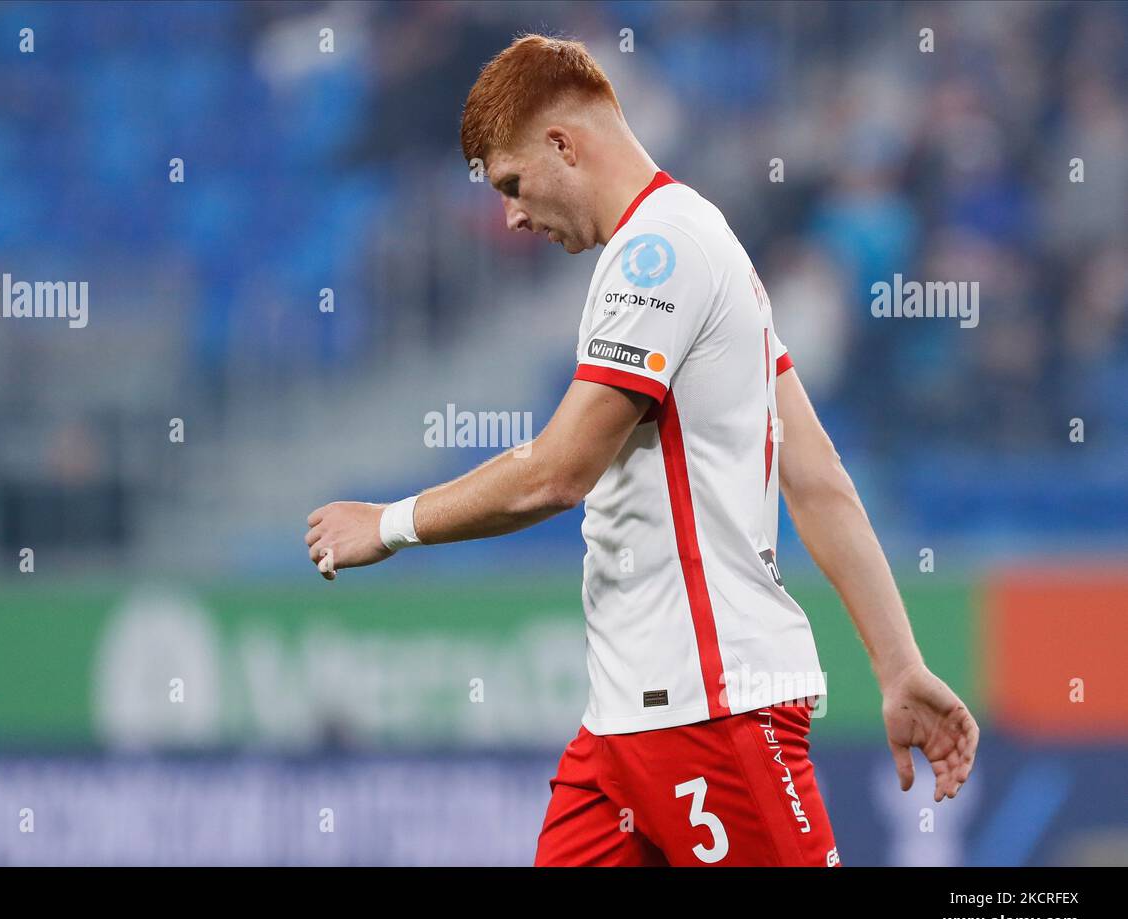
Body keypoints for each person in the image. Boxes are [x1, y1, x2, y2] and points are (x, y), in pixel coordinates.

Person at [304, 34, 978, 866]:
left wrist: (392, 523)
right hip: (622, 730)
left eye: (512, 185)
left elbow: (557, 473)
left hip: (710, 714)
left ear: (562, 144)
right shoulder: (696, 242)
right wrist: (899, 665)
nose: (511, 215)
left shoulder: (658, 257)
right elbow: (816, 477)